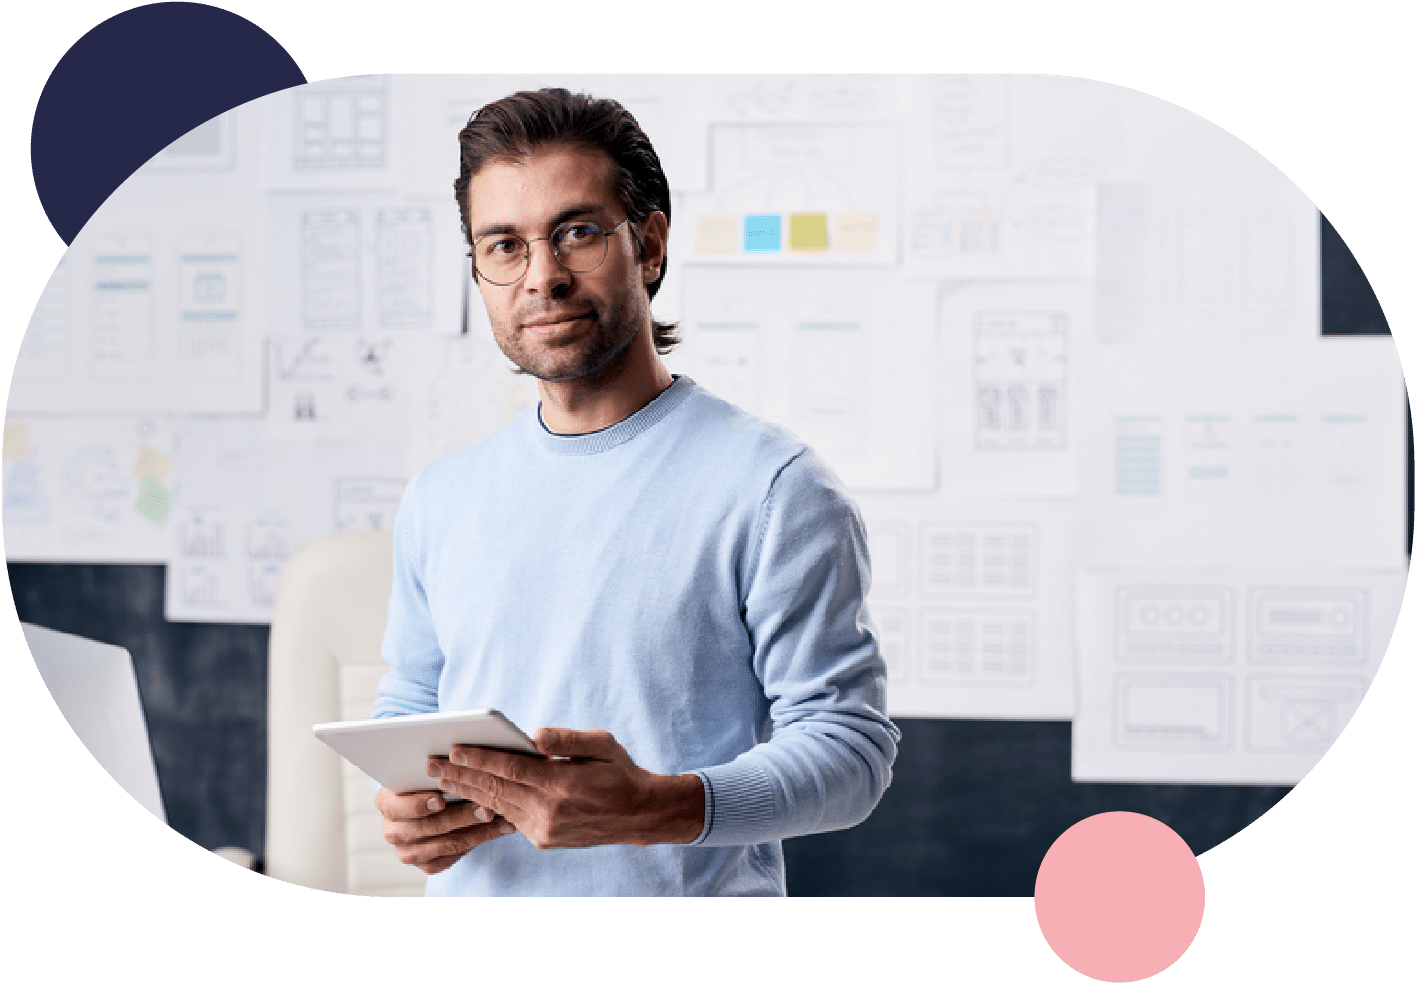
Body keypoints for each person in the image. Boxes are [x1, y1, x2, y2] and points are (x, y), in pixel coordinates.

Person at [371, 88, 899, 896]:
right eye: (504, 245)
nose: (541, 277)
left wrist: (656, 807)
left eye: (577, 232)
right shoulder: (441, 497)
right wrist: (406, 806)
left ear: (648, 246)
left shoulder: (773, 488)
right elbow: (410, 702)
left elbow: (850, 751)